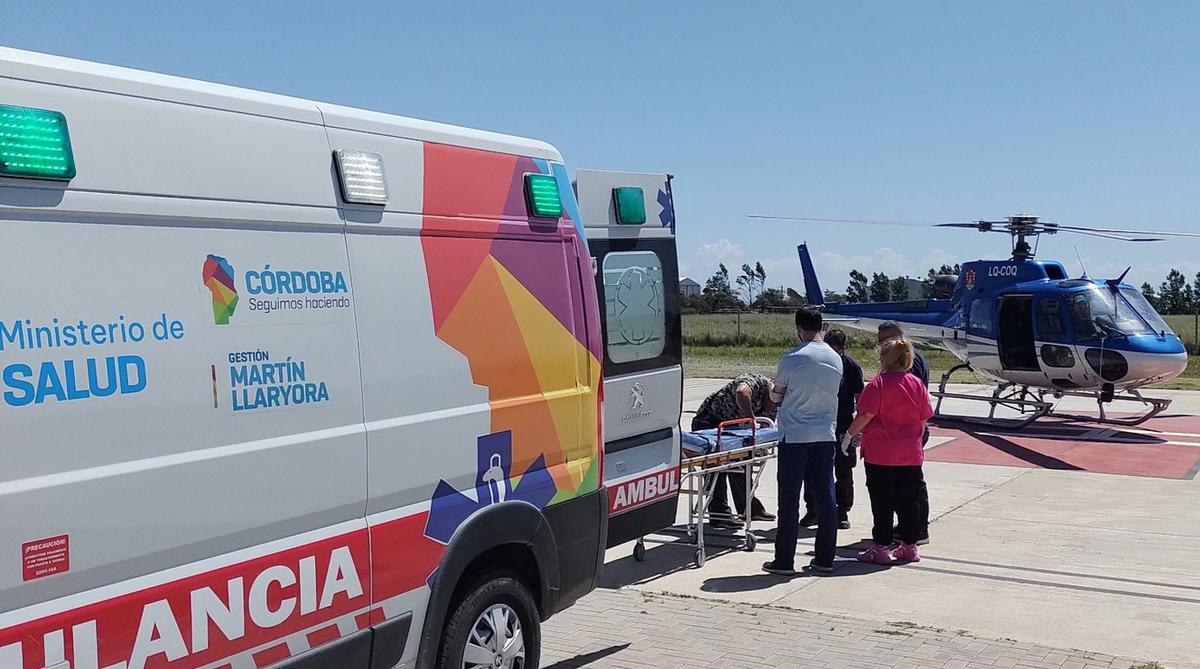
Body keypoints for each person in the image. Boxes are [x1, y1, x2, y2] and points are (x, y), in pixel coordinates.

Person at [762, 308, 843, 576]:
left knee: (789, 499)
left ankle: (784, 559)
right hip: (824, 433)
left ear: (799, 328)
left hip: (795, 435)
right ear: (821, 326)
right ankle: (825, 558)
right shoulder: (835, 358)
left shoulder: (792, 358)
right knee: (826, 497)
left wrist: (773, 391)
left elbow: (777, 396)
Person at [844, 338, 934, 564]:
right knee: (909, 501)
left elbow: (865, 415)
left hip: (881, 453)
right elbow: (923, 418)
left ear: (884, 358)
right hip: (910, 454)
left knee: (882, 500)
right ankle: (910, 545)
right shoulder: (916, 383)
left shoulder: (878, 384)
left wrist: (850, 434)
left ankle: (881, 546)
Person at [691, 373, 776, 527]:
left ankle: (749, 509)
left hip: (734, 430)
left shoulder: (774, 403)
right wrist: (750, 419)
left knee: (742, 466)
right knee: (716, 470)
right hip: (710, 422)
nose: (773, 407)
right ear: (769, 392)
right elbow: (741, 392)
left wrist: (760, 444)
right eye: (772, 403)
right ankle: (719, 515)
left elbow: (766, 425)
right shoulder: (755, 381)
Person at [799, 329, 863, 530]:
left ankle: (842, 510)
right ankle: (813, 509)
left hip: (842, 422)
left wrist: (857, 429)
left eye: (837, 350)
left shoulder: (851, 367)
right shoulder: (817, 362)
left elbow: (860, 399)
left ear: (844, 349)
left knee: (843, 469)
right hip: (818, 421)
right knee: (812, 468)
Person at [877, 321, 931, 545]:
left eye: (888, 339)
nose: (884, 345)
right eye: (881, 341)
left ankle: (918, 528)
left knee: (912, 483)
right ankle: (909, 526)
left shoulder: (909, 361)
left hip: (908, 430)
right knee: (906, 482)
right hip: (908, 430)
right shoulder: (906, 358)